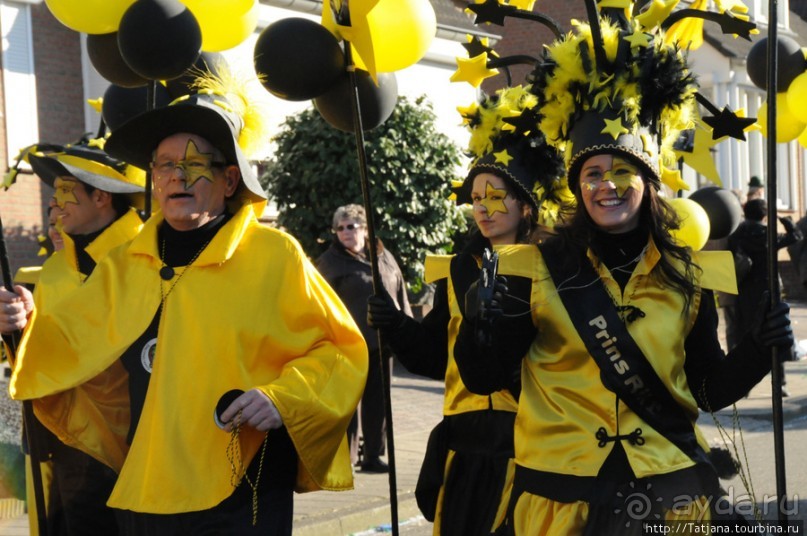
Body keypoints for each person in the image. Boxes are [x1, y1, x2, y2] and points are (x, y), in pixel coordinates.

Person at [451, 16, 794, 535]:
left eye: (622, 170)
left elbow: (704, 389)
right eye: (592, 172)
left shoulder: (686, 272)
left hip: (669, 494)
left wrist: (759, 350)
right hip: (559, 499)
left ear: (648, 181)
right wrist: (481, 329)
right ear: (577, 185)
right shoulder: (533, 266)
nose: (606, 185)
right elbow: (486, 377)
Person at [2, 72, 367, 535]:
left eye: (194, 164)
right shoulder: (125, 264)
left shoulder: (274, 255)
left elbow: (341, 351)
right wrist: (21, 324)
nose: (176, 175)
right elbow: (71, 345)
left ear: (230, 178)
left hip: (241, 480)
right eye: (164, 165)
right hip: (148, 480)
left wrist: (282, 398)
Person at [367, 86, 567, 535]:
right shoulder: (462, 268)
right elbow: (436, 358)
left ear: (525, 203)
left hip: (534, 442)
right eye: (476, 197)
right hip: (465, 445)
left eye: (495, 196)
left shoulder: (555, 267)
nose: (483, 207)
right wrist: (396, 324)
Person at [13, 138, 147, 536]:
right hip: (68, 440)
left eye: (64, 194)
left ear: (101, 197)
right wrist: (16, 327)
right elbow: (43, 349)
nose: (53, 206)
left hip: (139, 441)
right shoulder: (55, 270)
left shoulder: (147, 257)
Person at [315, 203, 412, 473]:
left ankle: (372, 455)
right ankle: (344, 459)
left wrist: (405, 328)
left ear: (365, 229)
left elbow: (399, 288)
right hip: (345, 345)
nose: (345, 232)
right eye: (340, 228)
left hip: (382, 342)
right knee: (346, 405)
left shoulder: (383, 256)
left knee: (378, 402)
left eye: (351, 226)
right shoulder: (329, 262)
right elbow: (315, 302)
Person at [727, 198, 801, 396]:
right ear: (764, 216)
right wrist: (784, 220)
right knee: (774, 336)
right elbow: (796, 236)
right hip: (769, 292)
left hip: (744, 293)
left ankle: (744, 387)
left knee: (745, 338)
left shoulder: (738, 235)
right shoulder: (768, 235)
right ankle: (780, 383)